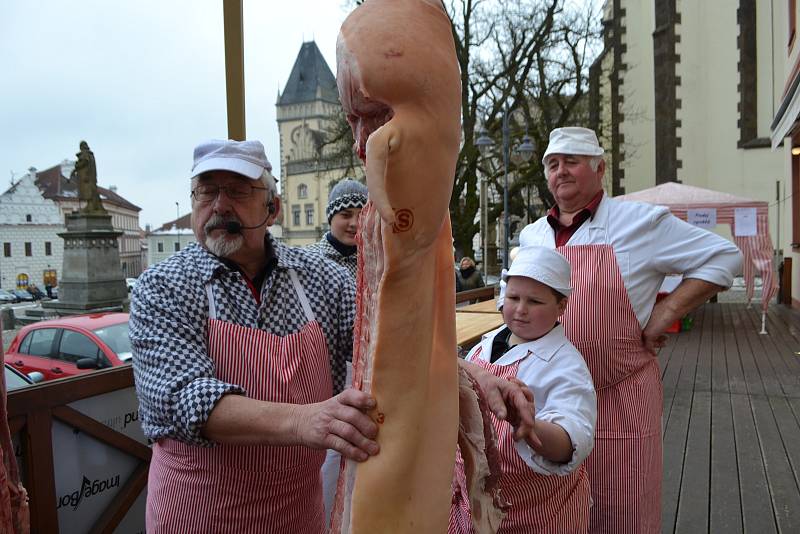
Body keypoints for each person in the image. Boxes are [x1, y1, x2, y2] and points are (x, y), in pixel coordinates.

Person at [129, 139, 380, 533]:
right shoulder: (163, 286)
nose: (220, 205)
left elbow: (380, 344)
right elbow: (184, 398)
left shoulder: (323, 278)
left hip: (296, 511)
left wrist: (467, 373)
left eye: (239, 190)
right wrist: (303, 420)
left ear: (272, 208)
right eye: (207, 190)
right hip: (200, 513)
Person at [518, 127, 743, 533]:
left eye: (572, 161)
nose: (561, 171)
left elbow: (723, 256)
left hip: (619, 401)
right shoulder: (532, 236)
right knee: (550, 514)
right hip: (551, 403)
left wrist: (668, 310)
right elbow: (512, 302)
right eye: (553, 164)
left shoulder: (641, 222)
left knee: (624, 513)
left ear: (600, 168)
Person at [450, 245, 596, 533]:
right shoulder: (486, 344)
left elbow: (573, 438)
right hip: (472, 501)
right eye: (514, 297)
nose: (520, 309)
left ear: (562, 306)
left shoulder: (566, 365)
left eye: (535, 301)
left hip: (536, 513)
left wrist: (532, 427)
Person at [304, 178, 367, 521]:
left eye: (360, 213)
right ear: (330, 217)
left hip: (364, 366)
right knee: (327, 448)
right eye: (345, 213)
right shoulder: (310, 260)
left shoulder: (374, 257)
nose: (353, 222)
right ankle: (323, 515)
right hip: (324, 366)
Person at [306, 178, 367, 278]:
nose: (355, 224)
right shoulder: (309, 259)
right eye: (346, 215)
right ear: (330, 218)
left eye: (362, 216)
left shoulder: (373, 261)